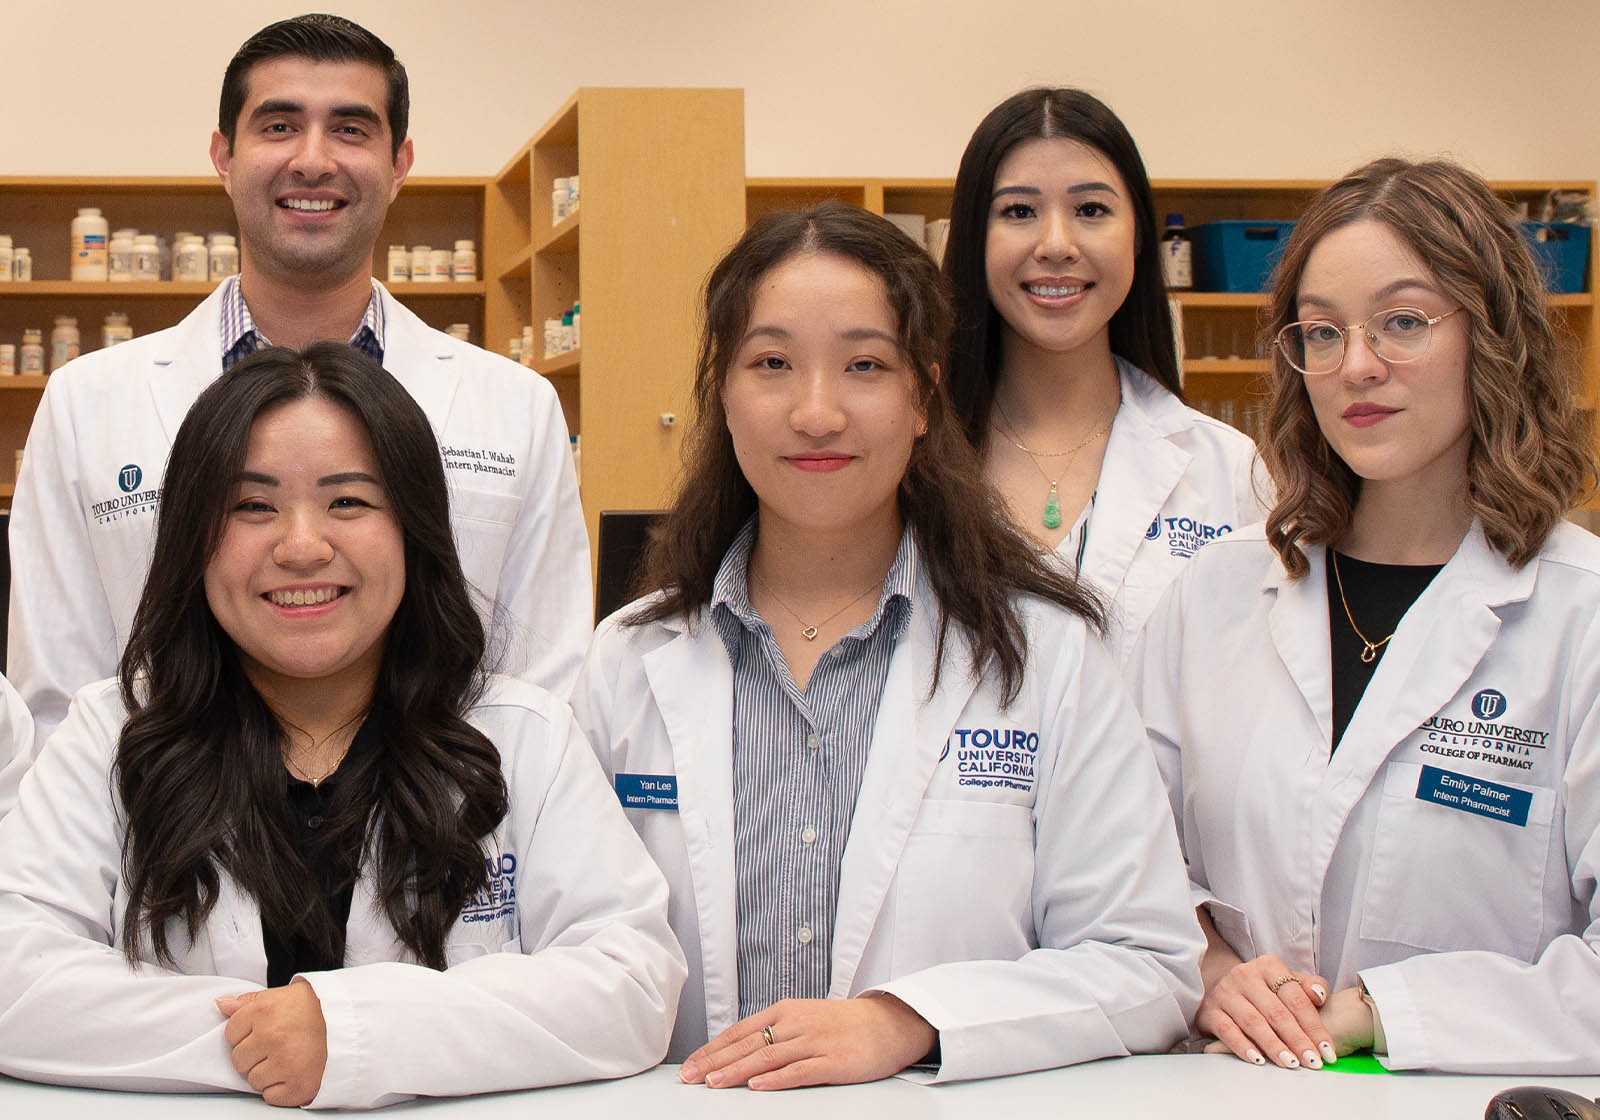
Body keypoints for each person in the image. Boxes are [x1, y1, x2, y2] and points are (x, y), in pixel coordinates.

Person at [572, 202, 1203, 1089]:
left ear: (923, 398)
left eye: (865, 365)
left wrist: (909, 1022)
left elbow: (1147, 964)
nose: (817, 411)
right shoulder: (627, 660)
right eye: (773, 364)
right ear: (723, 392)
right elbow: (563, 952)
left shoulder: (1044, 655)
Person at [0, 344, 683, 1109]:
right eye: (251, 506)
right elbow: (13, 980)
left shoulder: (523, 737)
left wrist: (359, 1034)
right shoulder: (111, 736)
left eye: (349, 502)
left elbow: (632, 981)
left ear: (414, 530)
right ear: (193, 537)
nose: (301, 546)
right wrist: (272, 1042)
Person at [2, 14, 590, 814]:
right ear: (224, 156)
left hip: (441, 866)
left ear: (399, 164)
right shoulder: (86, 404)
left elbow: (546, 695)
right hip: (166, 861)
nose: (313, 160)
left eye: (351, 128)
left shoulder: (515, 407)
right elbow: (59, 706)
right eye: (279, 125)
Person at [1126, 157, 1600, 1074]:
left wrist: (1381, 1012)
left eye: (1404, 322)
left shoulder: (1580, 616)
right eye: (1322, 332)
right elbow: (1119, 870)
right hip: (1228, 1089)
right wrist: (1214, 969)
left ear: (1492, 334)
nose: (1358, 367)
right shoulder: (1213, 596)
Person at [943, 88, 1267, 663]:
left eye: (1091, 210)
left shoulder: (1230, 472)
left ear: (1138, 235)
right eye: (1018, 211)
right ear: (974, 238)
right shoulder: (913, 460)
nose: (1056, 245)